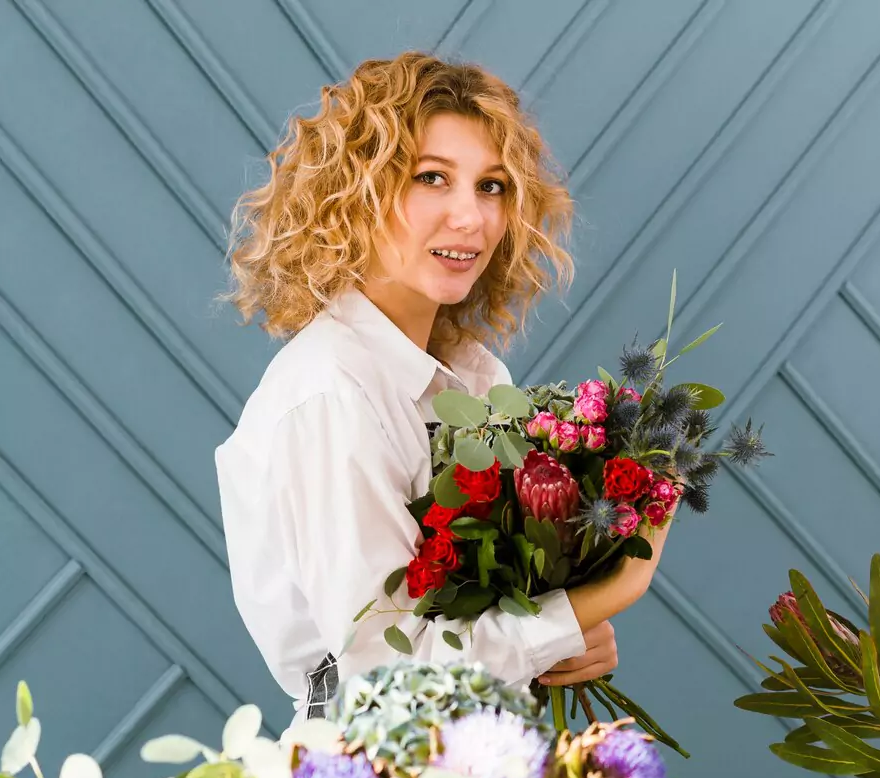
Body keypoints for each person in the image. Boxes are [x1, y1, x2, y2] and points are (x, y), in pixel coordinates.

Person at [214, 51, 675, 728]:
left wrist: (560, 641)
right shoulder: (332, 398)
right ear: (354, 194)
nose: (472, 218)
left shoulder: (475, 377)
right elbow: (389, 682)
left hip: (478, 762)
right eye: (432, 178)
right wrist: (608, 593)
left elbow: (476, 623)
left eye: (491, 187)